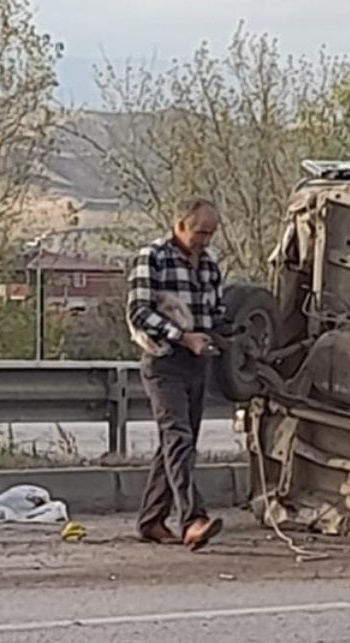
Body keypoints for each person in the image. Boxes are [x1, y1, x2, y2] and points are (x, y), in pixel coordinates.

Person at [126, 197, 228, 551]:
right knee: (179, 438)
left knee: (176, 443)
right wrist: (182, 337)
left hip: (198, 363)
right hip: (164, 360)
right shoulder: (152, 257)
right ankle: (193, 519)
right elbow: (139, 312)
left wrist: (221, 339)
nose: (206, 240)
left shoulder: (210, 264)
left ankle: (151, 520)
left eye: (211, 233)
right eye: (201, 232)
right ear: (180, 225)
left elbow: (217, 310)